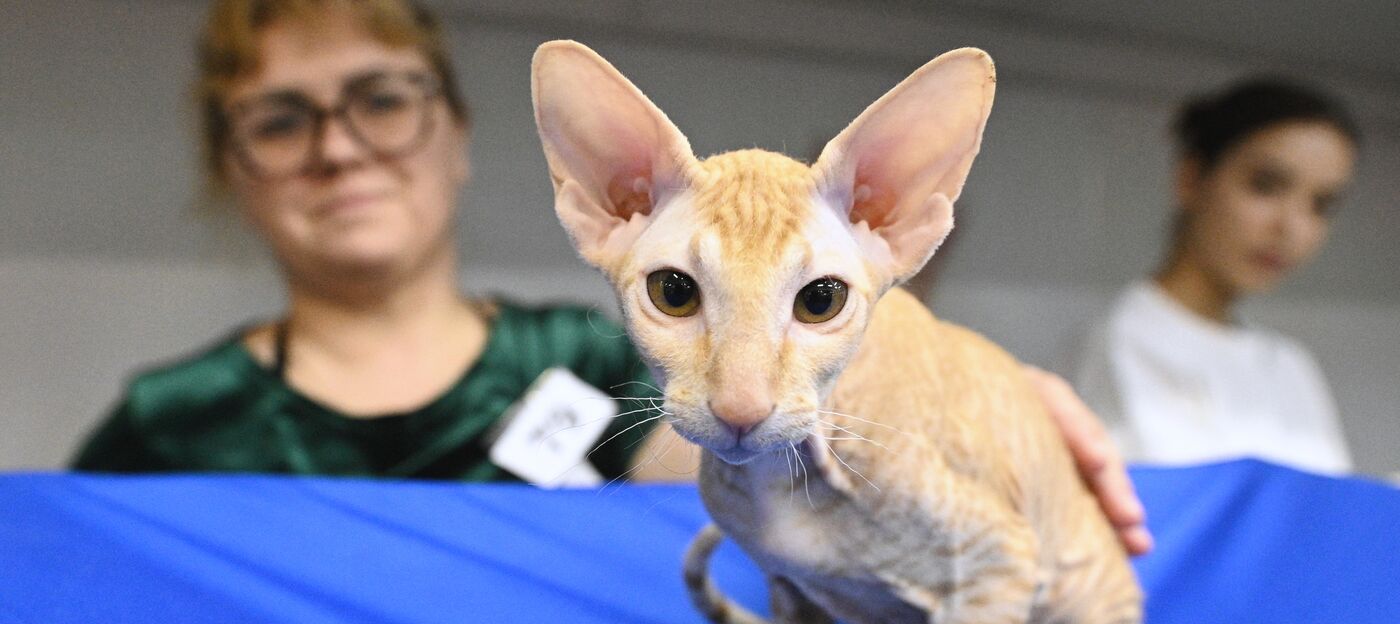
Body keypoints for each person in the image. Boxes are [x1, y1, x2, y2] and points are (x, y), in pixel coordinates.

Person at [70, 0, 1151, 552]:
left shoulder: (595, 364)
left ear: (459, 134)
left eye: (382, 98)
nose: (339, 146)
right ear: (228, 164)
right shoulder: (169, 424)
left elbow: (774, 452)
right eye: (278, 117)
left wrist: (973, 401)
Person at [1073, 78, 1359, 475]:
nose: (1291, 227)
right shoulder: (1121, 343)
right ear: (1191, 180)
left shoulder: (1290, 367)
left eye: (1320, 205)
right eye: (1266, 186)